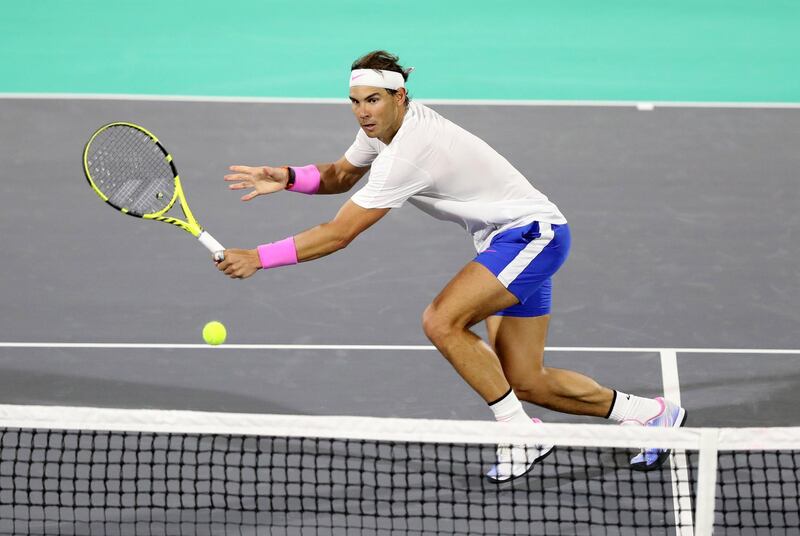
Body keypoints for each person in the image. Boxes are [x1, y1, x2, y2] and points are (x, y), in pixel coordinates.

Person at [216, 50, 687, 482]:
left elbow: (340, 233)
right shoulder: (382, 131)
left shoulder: (410, 153)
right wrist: (289, 177)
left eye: (373, 100)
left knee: (442, 321)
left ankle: (520, 434)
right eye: (355, 101)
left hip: (531, 237)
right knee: (525, 381)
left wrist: (259, 257)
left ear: (399, 97)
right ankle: (648, 414)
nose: (363, 111)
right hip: (511, 240)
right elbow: (341, 174)